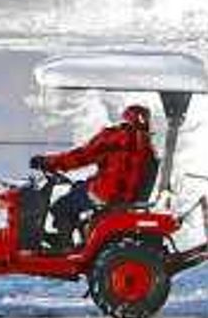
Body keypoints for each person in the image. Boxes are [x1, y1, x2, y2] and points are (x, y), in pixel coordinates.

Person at [29, 103, 157, 252]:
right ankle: (77, 237)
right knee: (78, 188)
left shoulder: (115, 137)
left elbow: (82, 156)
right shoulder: (146, 144)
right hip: (125, 196)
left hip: (106, 193)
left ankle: (63, 245)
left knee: (61, 206)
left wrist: (48, 162)